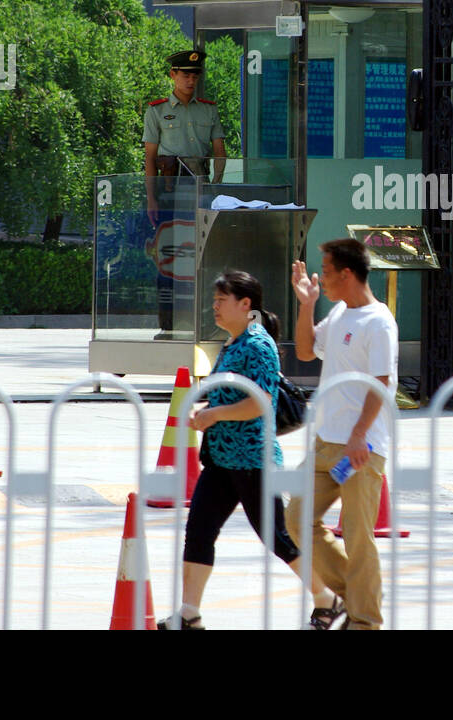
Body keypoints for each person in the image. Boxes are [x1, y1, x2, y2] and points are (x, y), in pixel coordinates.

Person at [158, 270, 345, 631]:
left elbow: (261, 403)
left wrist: (213, 414)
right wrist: (209, 412)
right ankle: (189, 613)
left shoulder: (258, 345)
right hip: (221, 460)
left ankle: (327, 599)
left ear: (246, 305)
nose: (215, 306)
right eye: (214, 300)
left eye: (222, 300)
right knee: (199, 531)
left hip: (252, 460)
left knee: (277, 537)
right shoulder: (232, 342)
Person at [286, 238, 399, 630]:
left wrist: (359, 435)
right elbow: (304, 351)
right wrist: (306, 305)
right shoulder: (338, 313)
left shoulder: (378, 322)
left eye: (328, 273)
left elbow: (381, 383)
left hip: (361, 448)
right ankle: (349, 598)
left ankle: (365, 621)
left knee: (358, 536)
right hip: (326, 442)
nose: (324, 279)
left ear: (347, 274)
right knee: (296, 519)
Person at [143, 48, 227, 336]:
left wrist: (216, 182)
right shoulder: (157, 110)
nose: (191, 80)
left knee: (201, 254)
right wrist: (151, 197)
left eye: (195, 75)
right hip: (169, 188)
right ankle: (167, 323)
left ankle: (201, 319)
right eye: (185, 75)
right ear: (173, 75)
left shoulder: (208, 108)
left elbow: (219, 150)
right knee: (168, 255)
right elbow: (150, 158)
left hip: (200, 188)